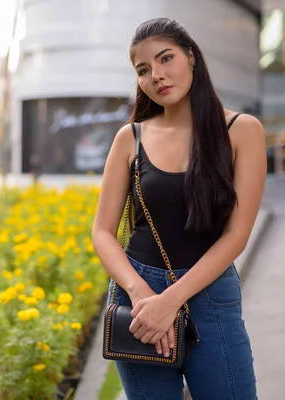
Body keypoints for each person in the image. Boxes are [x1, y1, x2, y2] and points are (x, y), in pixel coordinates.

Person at [91, 18, 266, 400]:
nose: (157, 75)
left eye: (165, 58)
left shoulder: (242, 130)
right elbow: (102, 233)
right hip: (137, 297)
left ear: (191, 57)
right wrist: (141, 296)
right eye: (143, 69)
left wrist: (169, 301)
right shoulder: (130, 137)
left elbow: (237, 235)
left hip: (210, 296)